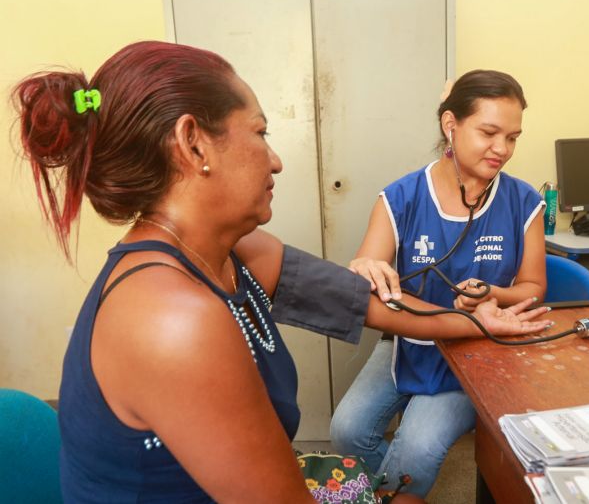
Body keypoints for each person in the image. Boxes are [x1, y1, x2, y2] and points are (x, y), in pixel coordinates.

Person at [10, 42, 552, 503]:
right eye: (261, 132)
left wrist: (485, 324)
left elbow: (372, 303)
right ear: (192, 141)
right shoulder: (171, 319)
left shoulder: (240, 250)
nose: (275, 160)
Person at [330, 70, 548, 497]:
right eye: (489, 132)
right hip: (407, 342)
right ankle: (393, 494)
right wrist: (366, 269)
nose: (502, 149)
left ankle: (394, 492)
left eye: (513, 137)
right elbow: (369, 268)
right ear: (451, 125)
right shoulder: (400, 197)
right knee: (346, 432)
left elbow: (533, 288)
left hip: (478, 348)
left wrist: (493, 293)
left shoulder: (524, 203)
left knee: (416, 447)